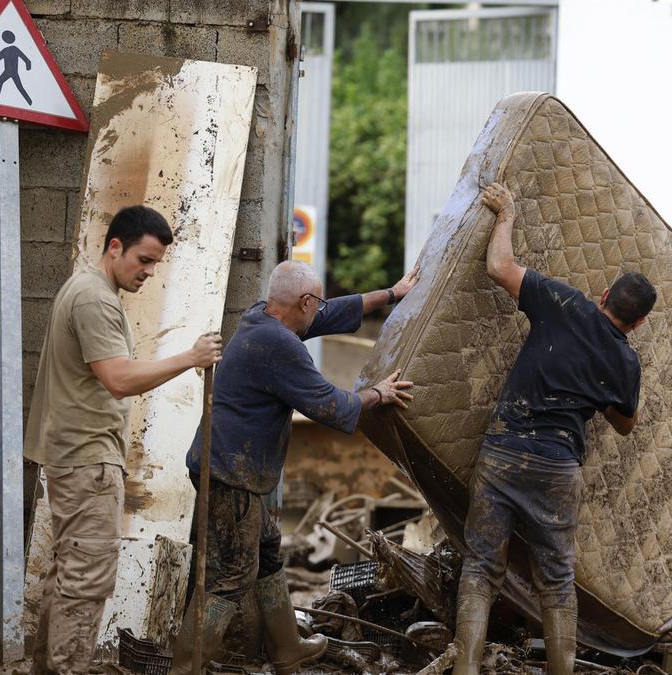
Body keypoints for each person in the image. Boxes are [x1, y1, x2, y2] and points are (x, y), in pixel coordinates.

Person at [173, 260, 419, 675]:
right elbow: (332, 406)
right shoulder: (280, 346)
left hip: (231, 469)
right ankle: (185, 667)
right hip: (229, 475)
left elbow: (329, 312)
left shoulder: (262, 315)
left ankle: (287, 649)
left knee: (267, 552)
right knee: (229, 577)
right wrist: (378, 393)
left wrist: (391, 294)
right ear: (304, 301)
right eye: (314, 303)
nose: (318, 311)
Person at [451, 183, 656, 675]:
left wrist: (506, 216)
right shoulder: (626, 361)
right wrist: (599, 389)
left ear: (604, 294)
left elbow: (499, 267)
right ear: (640, 323)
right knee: (558, 581)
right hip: (559, 467)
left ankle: (465, 670)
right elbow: (626, 425)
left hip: (504, 451)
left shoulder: (564, 302)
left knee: (480, 568)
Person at [26, 205, 222, 674]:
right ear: (115, 246)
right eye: (144, 260)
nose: (149, 272)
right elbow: (118, 378)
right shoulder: (94, 299)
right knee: (86, 580)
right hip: (87, 458)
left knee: (68, 573)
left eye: (155, 264)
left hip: (75, 453)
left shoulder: (89, 289)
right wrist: (190, 357)